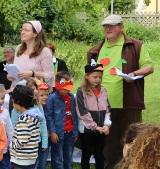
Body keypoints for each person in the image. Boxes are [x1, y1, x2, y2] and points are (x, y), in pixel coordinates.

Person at [85, 14, 154, 169]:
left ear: (122, 27)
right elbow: (89, 76)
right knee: (109, 146)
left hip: (128, 104)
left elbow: (149, 67)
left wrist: (134, 74)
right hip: (103, 105)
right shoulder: (95, 50)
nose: (108, 29)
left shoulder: (135, 46)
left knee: (132, 142)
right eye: (106, 26)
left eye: (113, 25)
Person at [75, 60, 110, 169]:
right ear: (86, 76)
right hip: (86, 129)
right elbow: (82, 112)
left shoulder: (103, 90)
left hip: (101, 129)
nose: (98, 79)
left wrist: (106, 125)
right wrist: (95, 127)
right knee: (86, 152)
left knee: (99, 153)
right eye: (95, 77)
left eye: (100, 77)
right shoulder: (81, 91)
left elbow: (107, 109)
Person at [11, 78, 48, 169]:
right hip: (32, 155)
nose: (12, 105)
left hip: (23, 157)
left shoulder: (24, 119)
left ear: (19, 102)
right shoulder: (34, 116)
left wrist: (11, 145)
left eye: (13, 102)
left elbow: (22, 139)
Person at [45, 71, 78, 169]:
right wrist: (53, 132)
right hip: (58, 134)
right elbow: (49, 116)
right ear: (58, 85)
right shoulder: (52, 98)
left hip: (70, 133)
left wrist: (75, 132)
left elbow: (74, 116)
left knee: (69, 157)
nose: (66, 91)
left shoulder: (72, 97)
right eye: (64, 89)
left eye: (68, 89)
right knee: (57, 157)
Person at [7, 20, 54, 89]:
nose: (22, 32)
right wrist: (11, 76)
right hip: (19, 90)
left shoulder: (44, 51)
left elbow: (49, 76)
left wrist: (32, 74)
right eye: (22, 29)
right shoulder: (19, 48)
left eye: (26, 30)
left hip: (36, 92)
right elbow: (16, 70)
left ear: (35, 34)